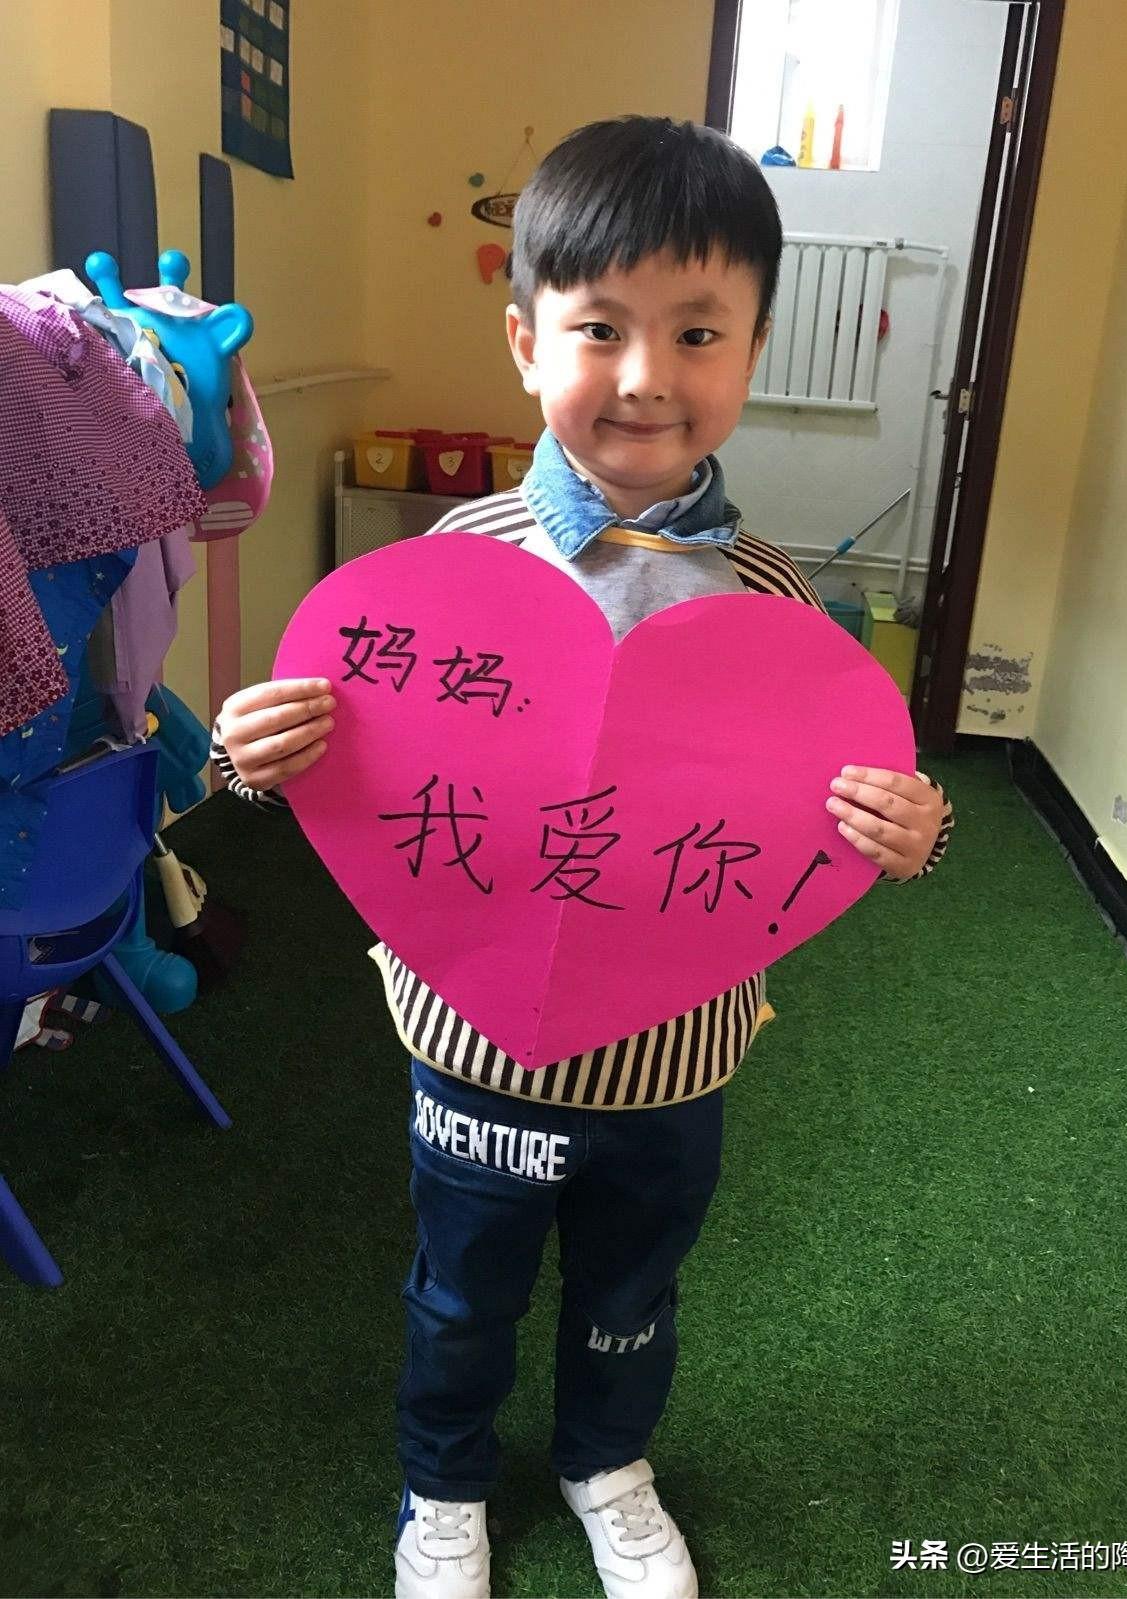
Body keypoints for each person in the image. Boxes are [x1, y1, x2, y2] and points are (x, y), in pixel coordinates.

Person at [212, 116, 954, 1599]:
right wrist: (250, 754)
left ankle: (608, 1463)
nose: (645, 377)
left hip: (675, 1060)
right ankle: (443, 1484)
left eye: (698, 332)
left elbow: (825, 813)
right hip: (470, 1042)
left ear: (754, 349)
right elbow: (350, 769)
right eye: (600, 328)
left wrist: (908, 833)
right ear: (525, 340)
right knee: (459, 1292)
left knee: (633, 1290)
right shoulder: (439, 578)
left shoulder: (781, 608)